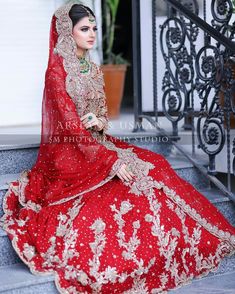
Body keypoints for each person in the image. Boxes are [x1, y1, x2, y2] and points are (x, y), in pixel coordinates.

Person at [1, 2, 235, 293]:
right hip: (70, 156)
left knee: (155, 165)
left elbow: (101, 117)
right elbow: (70, 129)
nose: (92, 34)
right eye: (84, 29)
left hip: (98, 144)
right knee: (120, 190)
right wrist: (111, 161)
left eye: (94, 29)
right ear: (66, 32)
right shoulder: (56, 74)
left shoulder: (94, 69)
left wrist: (98, 122)